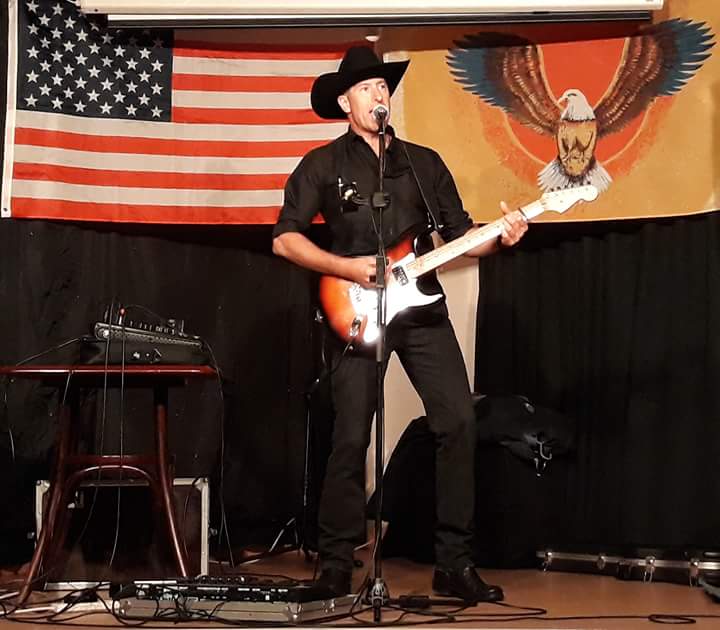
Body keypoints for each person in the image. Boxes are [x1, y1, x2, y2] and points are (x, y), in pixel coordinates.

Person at [272, 46, 527, 603]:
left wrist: (501, 236)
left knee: (458, 420)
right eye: (366, 87)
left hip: (423, 309)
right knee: (351, 433)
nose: (378, 94)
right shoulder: (323, 164)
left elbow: (463, 240)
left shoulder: (423, 163)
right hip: (356, 309)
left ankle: (454, 563)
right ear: (345, 102)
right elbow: (285, 238)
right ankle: (335, 564)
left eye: (383, 86)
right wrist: (347, 268)